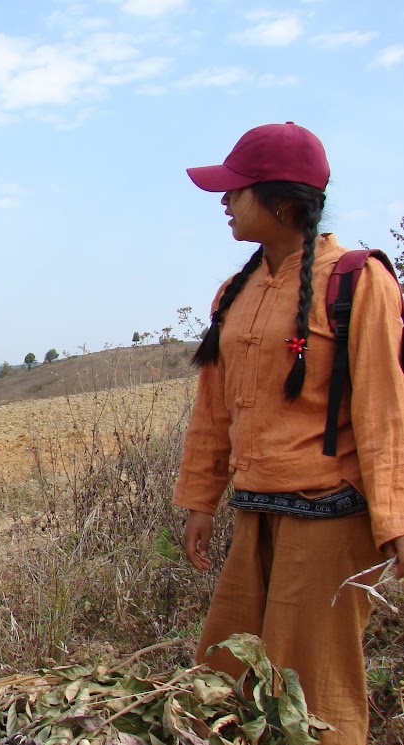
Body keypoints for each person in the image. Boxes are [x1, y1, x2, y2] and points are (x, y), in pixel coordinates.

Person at [174, 122, 404, 744]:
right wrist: (201, 501)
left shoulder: (360, 282)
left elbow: (386, 410)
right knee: (224, 676)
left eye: (235, 189)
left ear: (280, 201)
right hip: (254, 513)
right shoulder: (235, 292)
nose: (223, 200)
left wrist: (395, 522)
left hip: (329, 522)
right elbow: (214, 412)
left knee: (314, 691)